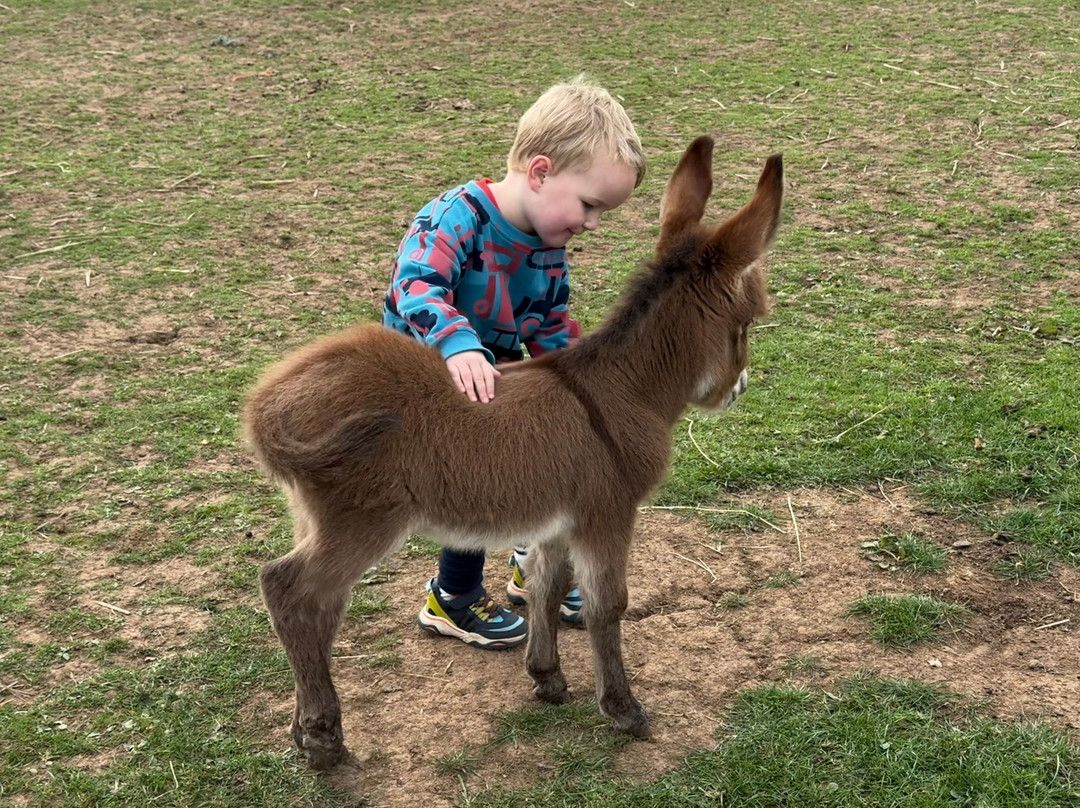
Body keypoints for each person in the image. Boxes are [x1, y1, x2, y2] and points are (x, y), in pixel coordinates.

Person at [382, 76, 646, 650]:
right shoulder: (456, 216)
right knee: (477, 480)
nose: (592, 224)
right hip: (426, 379)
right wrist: (459, 344)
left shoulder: (548, 251)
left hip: (493, 375)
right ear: (541, 171)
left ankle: (536, 564)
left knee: (555, 441)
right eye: (589, 205)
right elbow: (416, 287)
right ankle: (452, 599)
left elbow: (550, 326)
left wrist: (587, 383)